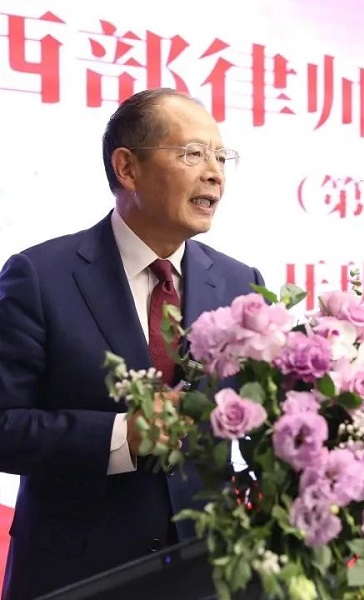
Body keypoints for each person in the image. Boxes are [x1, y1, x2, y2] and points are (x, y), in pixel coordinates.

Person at [0, 87, 265, 600]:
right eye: (193, 153)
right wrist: (123, 435)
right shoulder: (40, 276)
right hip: (77, 574)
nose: (215, 173)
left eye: (221, 156)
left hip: (204, 572)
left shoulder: (240, 284)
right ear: (127, 168)